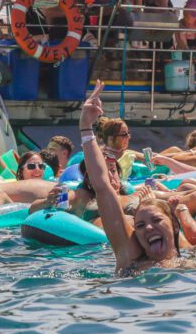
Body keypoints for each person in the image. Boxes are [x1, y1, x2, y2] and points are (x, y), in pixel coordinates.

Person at [79, 81, 188, 274]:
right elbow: (102, 187)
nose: (148, 228)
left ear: (174, 225)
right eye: (140, 225)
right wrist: (86, 127)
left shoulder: (193, 259)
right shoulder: (131, 258)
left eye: (156, 220)